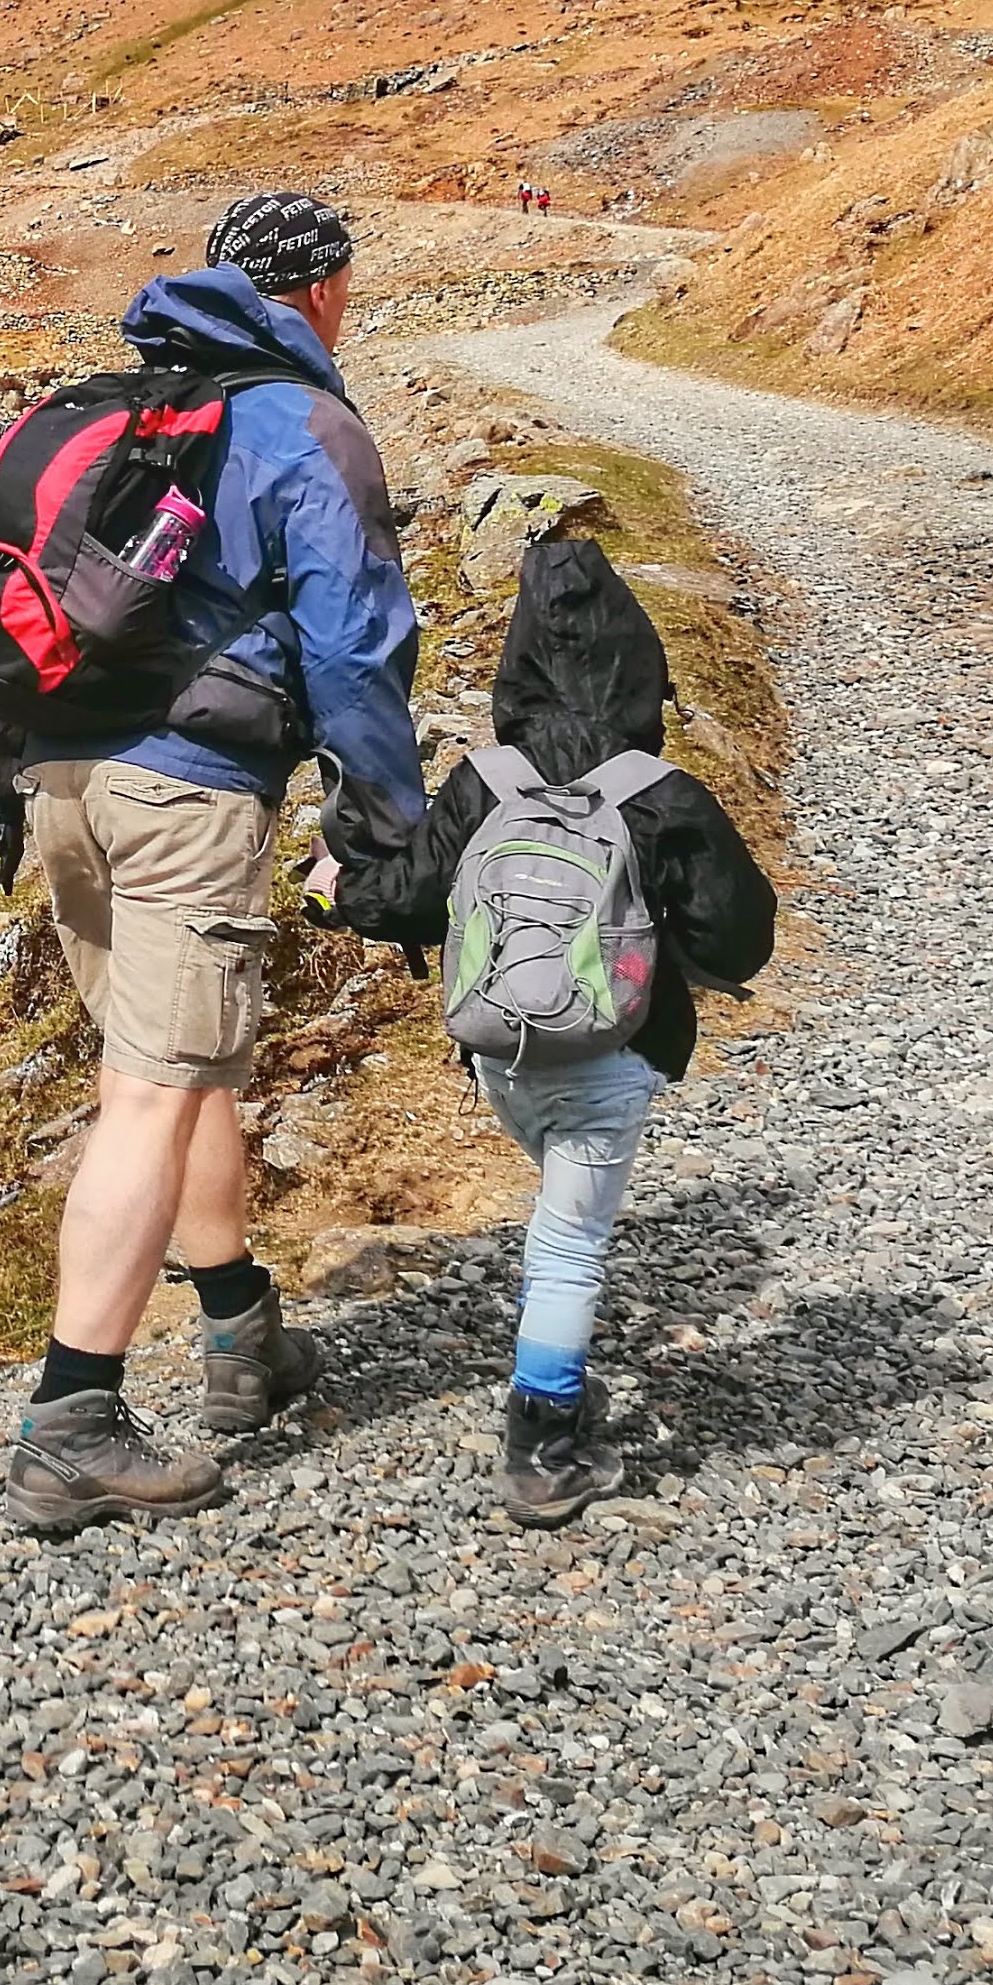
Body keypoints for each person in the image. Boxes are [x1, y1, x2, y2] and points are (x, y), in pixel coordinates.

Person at [0, 190, 427, 1538]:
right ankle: (73, 1423)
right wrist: (382, 822)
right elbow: (353, 646)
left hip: (61, 781)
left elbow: (39, 601)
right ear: (322, 289)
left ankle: (239, 1333)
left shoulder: (122, 410)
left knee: (167, 1067)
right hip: (186, 794)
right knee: (153, 1095)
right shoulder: (302, 423)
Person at [332, 512, 775, 1522]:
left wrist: (340, 882)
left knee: (558, 1211)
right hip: (616, 1050)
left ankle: (555, 1375)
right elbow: (741, 937)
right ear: (642, 671)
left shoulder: (486, 781)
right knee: (570, 1242)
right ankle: (545, 1438)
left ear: (517, 668)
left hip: (497, 1051)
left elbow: (399, 901)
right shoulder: (660, 793)